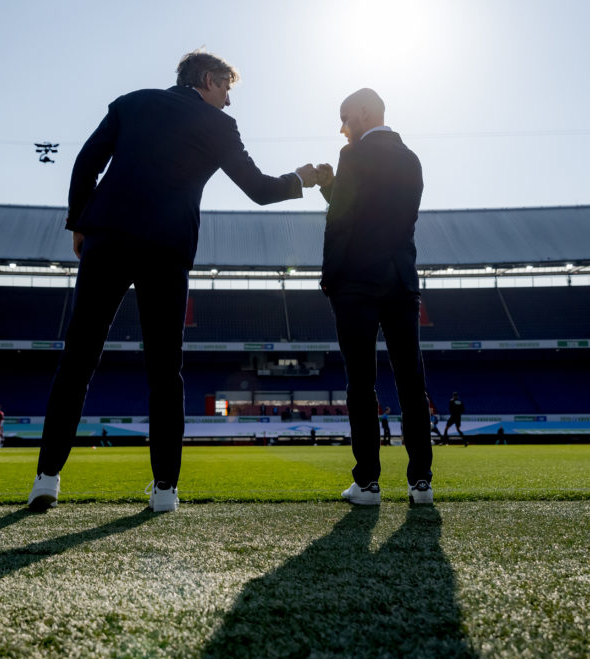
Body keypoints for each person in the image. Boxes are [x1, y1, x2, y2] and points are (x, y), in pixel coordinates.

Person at [28, 49, 319, 512]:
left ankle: (46, 479)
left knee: (78, 359)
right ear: (207, 79)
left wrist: (79, 223)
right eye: (226, 89)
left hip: (108, 238)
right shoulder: (217, 125)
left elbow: (86, 162)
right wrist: (300, 178)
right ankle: (165, 489)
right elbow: (260, 190)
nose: (228, 101)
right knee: (165, 370)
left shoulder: (132, 102)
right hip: (166, 249)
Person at [315, 88, 432, 507]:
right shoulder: (411, 158)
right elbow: (380, 215)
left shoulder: (354, 156)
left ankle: (367, 483)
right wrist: (335, 187)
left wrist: (329, 276)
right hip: (401, 279)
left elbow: (342, 219)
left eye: (346, 117)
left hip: (358, 283)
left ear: (366, 112)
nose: (342, 128)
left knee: (361, 384)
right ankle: (421, 482)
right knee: (410, 382)